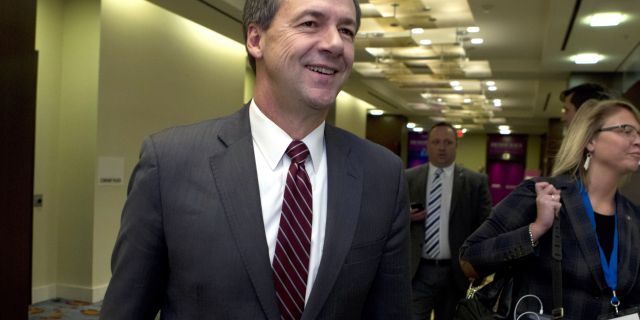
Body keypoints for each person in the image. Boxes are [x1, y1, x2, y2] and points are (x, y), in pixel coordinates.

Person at [99, 0, 412, 319]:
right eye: (310, 23)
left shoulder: (383, 176)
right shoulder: (169, 164)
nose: (335, 43)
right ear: (255, 39)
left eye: (346, 30)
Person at [460, 100, 640, 319]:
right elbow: (470, 260)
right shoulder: (542, 193)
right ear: (590, 140)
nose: (637, 141)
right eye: (626, 130)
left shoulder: (633, 217)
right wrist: (536, 229)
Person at [406, 122, 492, 320]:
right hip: (418, 272)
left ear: (456, 146)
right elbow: (390, 221)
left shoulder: (475, 182)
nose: (442, 147)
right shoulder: (408, 178)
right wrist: (405, 217)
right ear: (427, 145)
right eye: (436, 142)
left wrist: (480, 266)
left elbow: (486, 226)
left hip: (456, 274)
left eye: (448, 142)